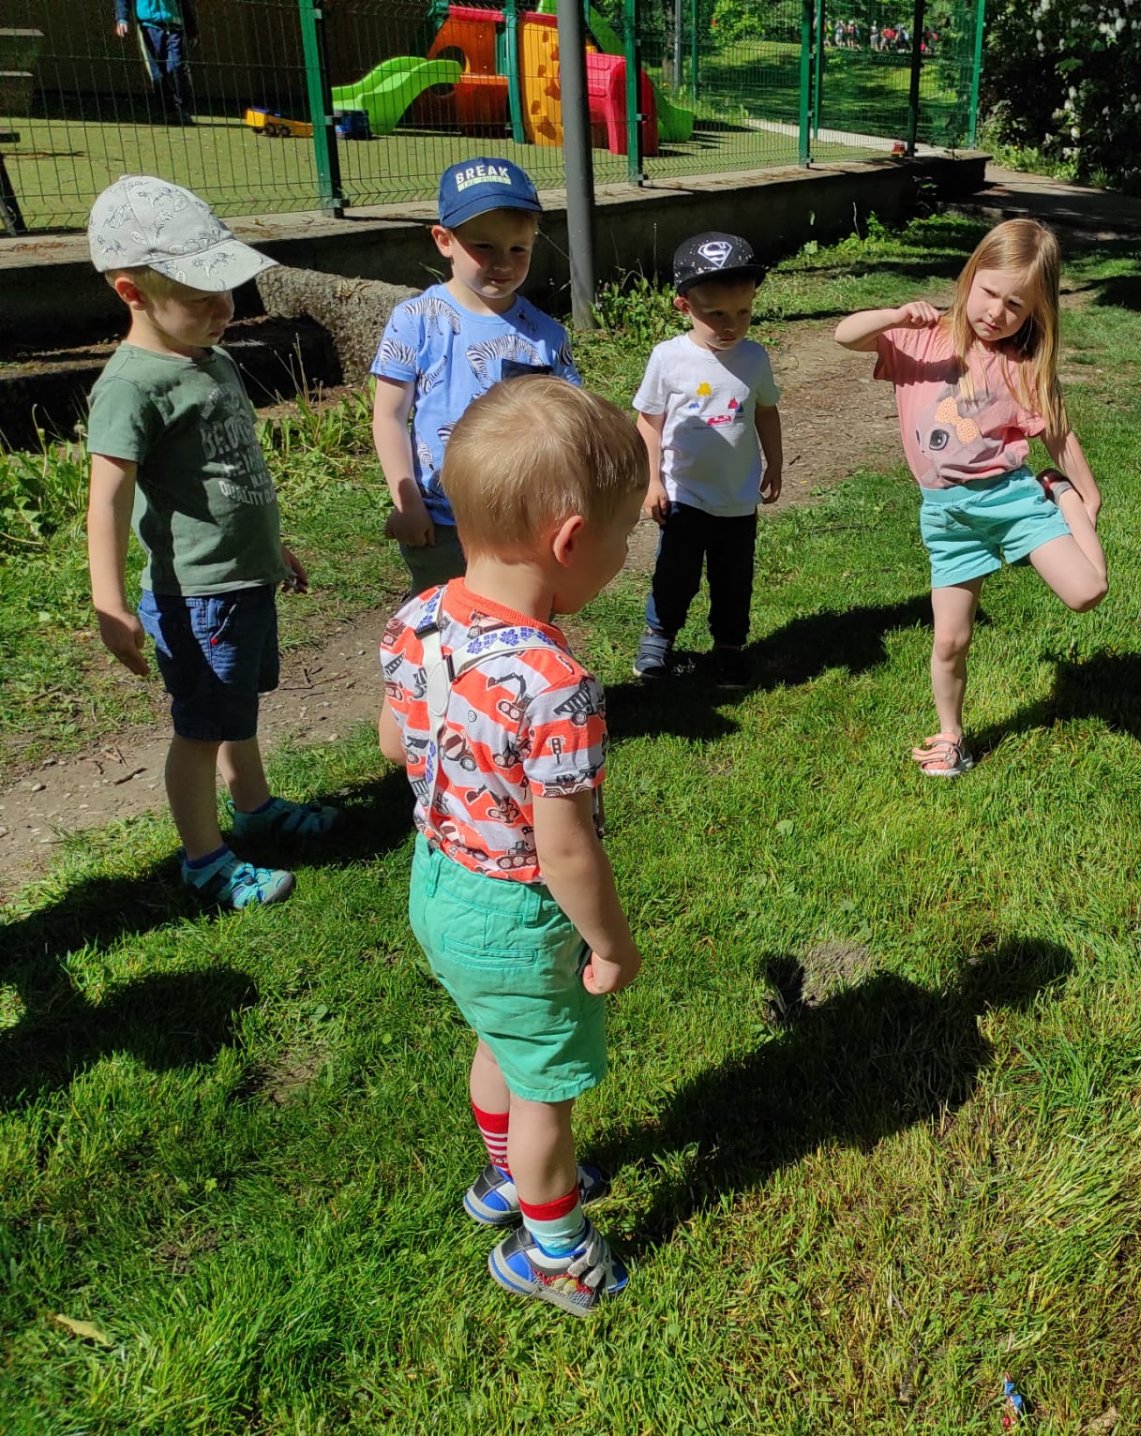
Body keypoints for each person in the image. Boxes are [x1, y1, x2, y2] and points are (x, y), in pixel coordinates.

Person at [376, 377, 649, 1315]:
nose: (626, 552)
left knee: (500, 1041)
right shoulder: (556, 682)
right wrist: (611, 944)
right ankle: (553, 1253)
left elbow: (393, 742)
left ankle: (504, 1179)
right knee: (546, 1094)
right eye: (624, 536)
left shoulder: (419, 616)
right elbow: (565, 851)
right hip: (517, 914)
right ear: (569, 541)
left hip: (437, 881)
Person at [84, 176, 337, 910]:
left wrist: (271, 546)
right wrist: (108, 601)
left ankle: (254, 808)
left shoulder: (212, 359)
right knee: (200, 728)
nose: (224, 308)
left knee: (235, 709)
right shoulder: (132, 386)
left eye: (225, 288)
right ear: (132, 292)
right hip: (197, 595)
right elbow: (107, 499)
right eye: (200, 296)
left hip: (242, 577)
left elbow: (232, 474)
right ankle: (204, 859)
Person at [835, 217, 1108, 777]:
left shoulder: (1023, 365)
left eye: (1015, 305)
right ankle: (951, 738)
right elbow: (846, 335)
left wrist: (1084, 492)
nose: (996, 312)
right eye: (989, 292)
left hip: (1011, 501)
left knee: (1088, 591)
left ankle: (1057, 497)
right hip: (947, 517)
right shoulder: (921, 339)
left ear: (1035, 312)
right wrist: (894, 316)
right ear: (969, 276)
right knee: (950, 641)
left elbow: (1057, 432)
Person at [371, 158, 579, 596]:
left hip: (520, 522)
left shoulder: (545, 336)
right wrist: (406, 502)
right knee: (438, 618)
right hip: (440, 521)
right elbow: (389, 416)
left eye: (518, 249)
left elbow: (567, 427)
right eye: (484, 246)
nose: (503, 263)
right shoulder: (415, 321)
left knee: (513, 618)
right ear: (444, 240)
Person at [630, 232, 783, 689]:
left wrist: (774, 463)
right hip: (684, 492)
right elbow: (648, 422)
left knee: (733, 578)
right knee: (675, 572)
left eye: (743, 312)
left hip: (737, 497)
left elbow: (766, 410)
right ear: (684, 306)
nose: (731, 325)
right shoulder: (669, 358)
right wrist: (651, 481)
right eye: (716, 314)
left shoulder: (754, 358)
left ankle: (730, 647)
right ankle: (659, 636)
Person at [114, 0, 197, 126]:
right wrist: (122, 18)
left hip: (174, 26)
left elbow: (184, 3)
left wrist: (192, 29)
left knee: (175, 68)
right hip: (148, 26)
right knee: (158, 74)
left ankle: (183, 110)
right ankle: (167, 111)